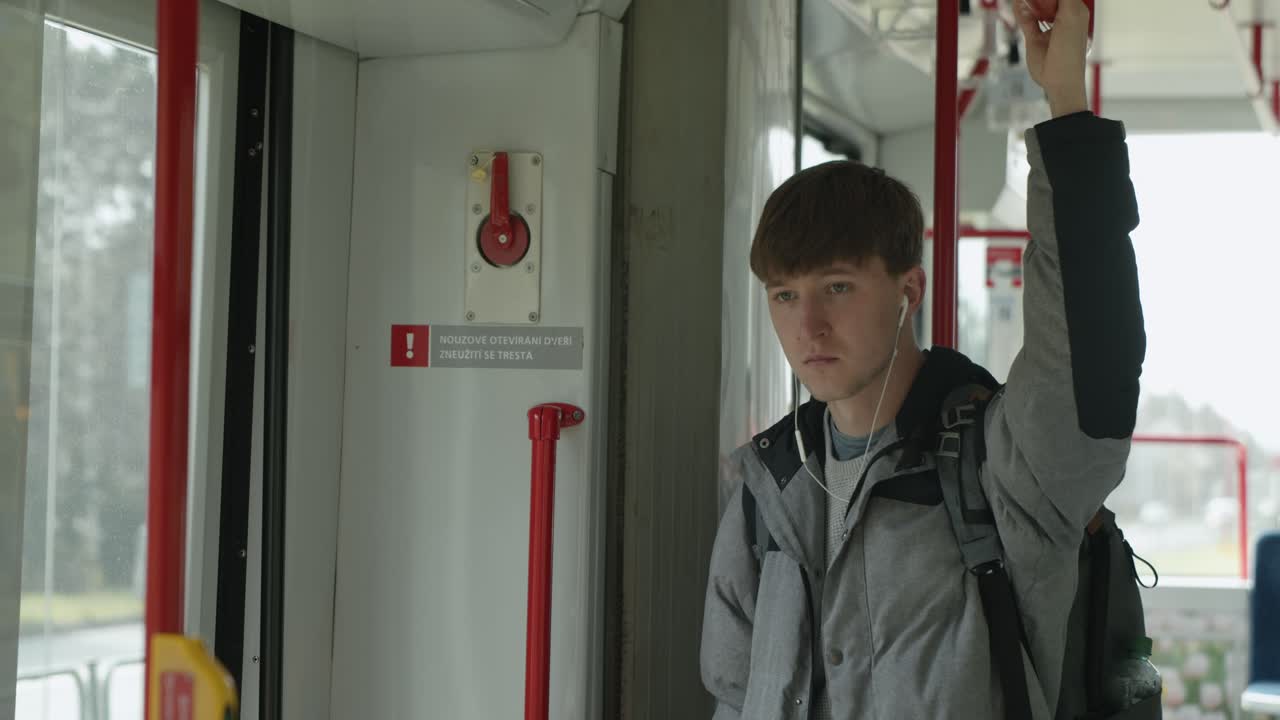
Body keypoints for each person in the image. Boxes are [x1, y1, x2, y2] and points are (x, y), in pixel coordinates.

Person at [699, 0, 1146, 718]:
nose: (807, 325)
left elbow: (1086, 354)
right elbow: (732, 694)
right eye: (784, 296)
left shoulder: (1004, 469)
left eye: (837, 287)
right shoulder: (767, 489)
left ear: (909, 289)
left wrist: (1065, 99)